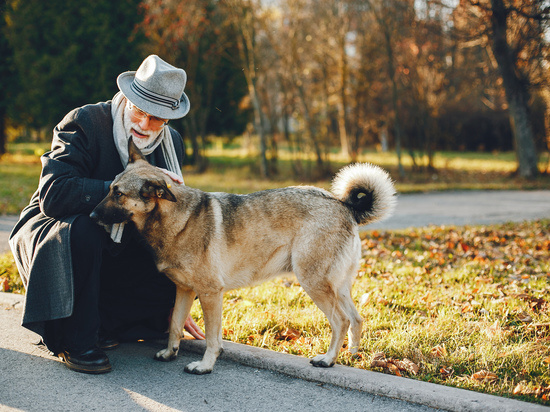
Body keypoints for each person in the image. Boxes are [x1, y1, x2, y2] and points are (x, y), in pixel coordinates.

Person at [9, 55, 205, 375]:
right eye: (139, 111)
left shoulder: (173, 145)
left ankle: (108, 321)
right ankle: (76, 337)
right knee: (88, 227)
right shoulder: (84, 121)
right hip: (61, 225)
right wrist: (127, 189)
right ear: (127, 98)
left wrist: (177, 298)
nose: (144, 124)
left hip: (124, 235)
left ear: (169, 118)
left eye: (156, 119)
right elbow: (54, 195)